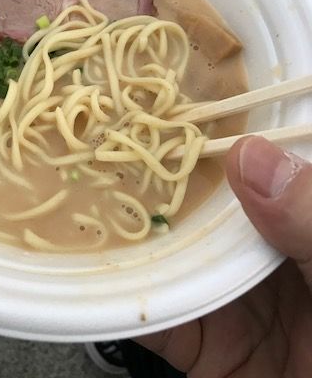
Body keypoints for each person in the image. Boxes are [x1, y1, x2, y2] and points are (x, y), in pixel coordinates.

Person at [0, 136, 311, 376]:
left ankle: (124, 343)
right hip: (248, 341)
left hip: (240, 324)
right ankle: (126, 343)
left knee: (152, 324)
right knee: (146, 326)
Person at [86, 136, 312, 377]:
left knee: (150, 340)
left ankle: (126, 344)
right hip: (259, 332)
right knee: (138, 316)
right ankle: (126, 342)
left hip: (233, 336)